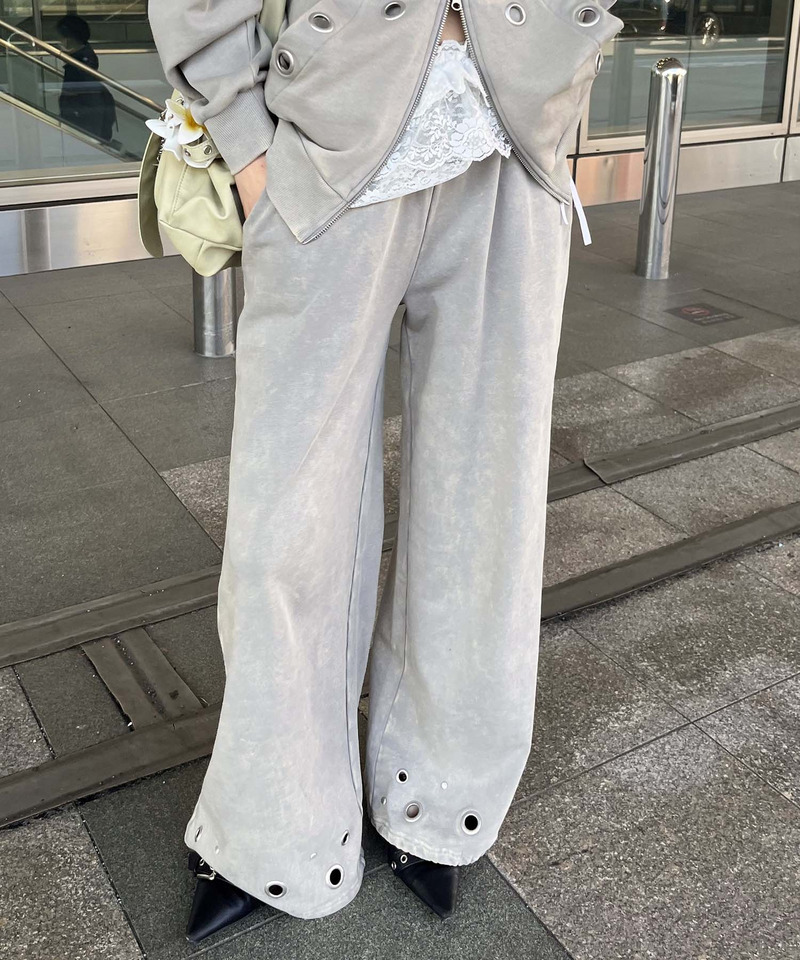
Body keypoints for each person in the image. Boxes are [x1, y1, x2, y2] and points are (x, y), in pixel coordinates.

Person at [148, 0, 624, 943]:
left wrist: (572, 49)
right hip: (324, 143)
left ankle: (437, 800)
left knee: (488, 504)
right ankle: (276, 829)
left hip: (517, 133)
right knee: (288, 516)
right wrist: (246, 143)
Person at [56, 14, 117, 143]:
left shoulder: (78, 65)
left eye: (61, 37)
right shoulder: (85, 58)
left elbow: (83, 97)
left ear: (68, 39)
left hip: (84, 122)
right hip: (89, 119)